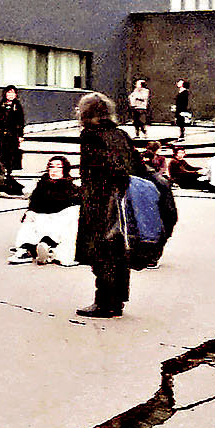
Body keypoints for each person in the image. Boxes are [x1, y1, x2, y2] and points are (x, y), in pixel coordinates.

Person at [75, 93, 141, 319]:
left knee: (101, 252)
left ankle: (103, 302)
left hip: (100, 201)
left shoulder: (90, 136)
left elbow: (104, 166)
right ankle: (118, 300)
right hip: (121, 201)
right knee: (119, 252)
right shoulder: (121, 134)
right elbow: (135, 164)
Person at [8, 155, 81, 265]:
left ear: (64, 170)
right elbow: (34, 202)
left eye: (58, 167)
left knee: (72, 213)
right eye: (51, 167)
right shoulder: (42, 185)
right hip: (41, 218)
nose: (54, 170)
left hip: (58, 221)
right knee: (30, 218)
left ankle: (47, 246)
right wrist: (30, 211)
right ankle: (25, 249)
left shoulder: (70, 187)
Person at [0, 86, 26, 174]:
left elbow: (20, 121)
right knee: (1, 152)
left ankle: (11, 171)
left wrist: (20, 135)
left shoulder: (17, 106)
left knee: (12, 152)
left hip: (13, 134)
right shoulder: (0, 105)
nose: (11, 95)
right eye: (9, 92)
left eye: (13, 93)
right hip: (1, 134)